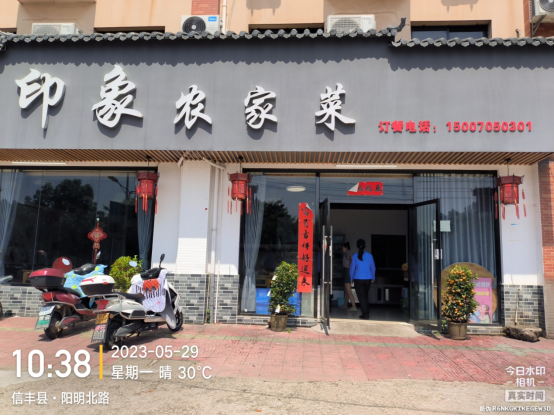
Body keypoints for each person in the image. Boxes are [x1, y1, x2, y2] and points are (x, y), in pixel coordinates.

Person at [349, 239, 376, 320]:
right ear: (365, 246)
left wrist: (351, 279)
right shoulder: (370, 256)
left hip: (358, 279)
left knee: (361, 297)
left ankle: (365, 314)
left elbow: (352, 268)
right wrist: (373, 277)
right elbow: (373, 268)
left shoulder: (354, 256)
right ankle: (367, 312)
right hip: (368, 279)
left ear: (357, 247)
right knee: (365, 295)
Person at [340, 243, 357, 312]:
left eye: (343, 248)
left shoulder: (348, 252)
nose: (342, 250)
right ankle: (346, 305)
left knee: (348, 291)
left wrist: (350, 266)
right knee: (346, 290)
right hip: (346, 270)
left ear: (346, 248)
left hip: (347, 270)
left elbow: (352, 257)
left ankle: (354, 306)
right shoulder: (346, 253)